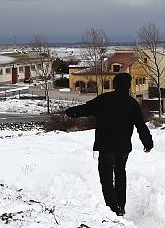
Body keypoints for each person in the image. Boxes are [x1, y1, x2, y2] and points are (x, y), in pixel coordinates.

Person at [65, 73, 153, 216]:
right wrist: (148, 143)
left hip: (106, 146)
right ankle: (121, 206)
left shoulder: (104, 99)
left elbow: (86, 109)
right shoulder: (132, 104)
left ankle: (113, 208)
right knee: (120, 173)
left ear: (115, 85)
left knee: (106, 179)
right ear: (128, 86)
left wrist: (69, 112)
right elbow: (140, 125)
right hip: (123, 147)